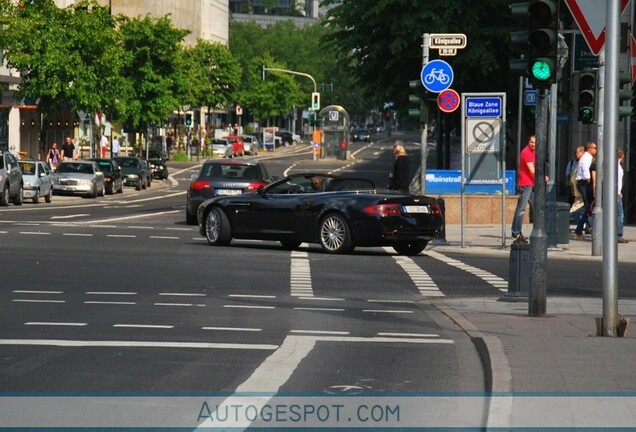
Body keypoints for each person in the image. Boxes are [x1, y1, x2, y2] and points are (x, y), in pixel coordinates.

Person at [511, 135, 537, 243]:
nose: (533, 144)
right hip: (526, 184)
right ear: (528, 142)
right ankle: (516, 232)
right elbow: (532, 170)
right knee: (521, 209)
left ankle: (517, 231)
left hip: (530, 184)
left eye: (535, 143)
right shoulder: (526, 152)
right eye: (531, 142)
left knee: (536, 207)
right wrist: (542, 178)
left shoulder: (533, 152)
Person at [574, 141, 597, 240]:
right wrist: (588, 179)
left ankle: (587, 227)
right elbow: (585, 168)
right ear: (589, 148)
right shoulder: (587, 157)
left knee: (588, 206)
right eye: (594, 148)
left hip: (584, 183)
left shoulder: (588, 157)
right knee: (588, 206)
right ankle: (581, 229)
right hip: (584, 183)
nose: (596, 150)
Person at [617, 147, 629, 244]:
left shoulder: (615, 165)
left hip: (617, 192)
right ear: (622, 156)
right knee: (620, 215)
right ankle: (618, 235)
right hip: (616, 194)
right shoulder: (617, 167)